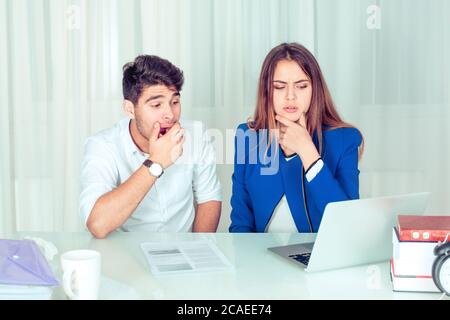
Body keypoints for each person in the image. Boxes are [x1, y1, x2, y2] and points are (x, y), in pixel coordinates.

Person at [80, 55, 222, 238]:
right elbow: (97, 224)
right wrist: (155, 163)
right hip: (127, 253)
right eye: (156, 105)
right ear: (130, 109)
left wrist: (199, 249)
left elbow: (209, 198)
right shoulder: (102, 146)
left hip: (184, 248)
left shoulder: (196, 133)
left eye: (175, 102)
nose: (170, 114)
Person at [230, 43, 364, 233]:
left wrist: (307, 151)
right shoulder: (248, 137)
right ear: (267, 92)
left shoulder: (344, 139)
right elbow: (241, 224)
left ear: (314, 90)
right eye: (279, 87)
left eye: (301, 86)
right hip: (259, 258)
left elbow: (346, 226)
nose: (290, 96)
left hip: (319, 258)